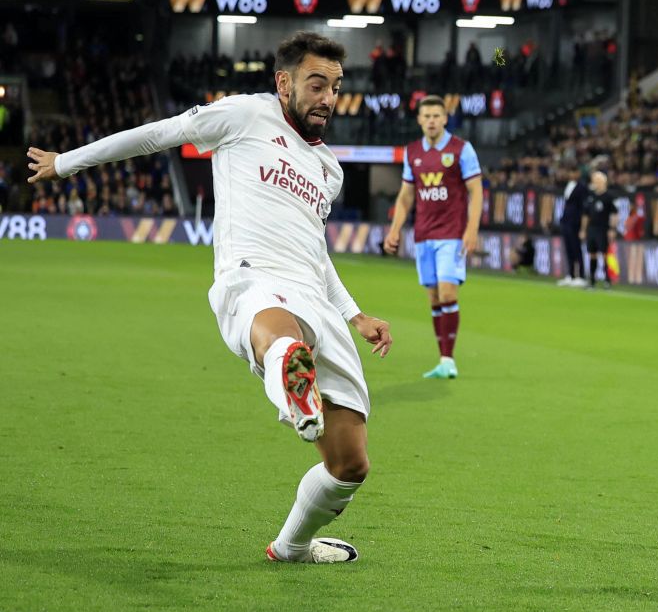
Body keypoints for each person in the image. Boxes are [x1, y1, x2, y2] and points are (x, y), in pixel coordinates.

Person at [26, 31, 393, 564]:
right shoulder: (245, 115)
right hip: (252, 278)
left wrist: (354, 313)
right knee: (280, 336)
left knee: (350, 464)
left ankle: (290, 546)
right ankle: (291, 383)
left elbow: (316, 250)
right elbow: (160, 134)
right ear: (284, 82)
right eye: (317, 85)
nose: (328, 99)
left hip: (313, 294)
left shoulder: (328, 170)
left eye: (336, 87)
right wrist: (67, 163)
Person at [383, 95, 482, 379]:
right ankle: (443, 360)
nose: (431, 121)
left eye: (436, 116)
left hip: (452, 233)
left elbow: (476, 191)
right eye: (426, 116)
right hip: (424, 234)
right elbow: (405, 197)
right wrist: (394, 229)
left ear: (445, 118)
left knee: (448, 292)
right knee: (435, 298)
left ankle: (448, 359)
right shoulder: (412, 151)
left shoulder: (462, 150)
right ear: (419, 120)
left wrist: (471, 229)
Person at [579, 171, 616, 289]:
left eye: (598, 180)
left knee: (604, 254)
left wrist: (612, 229)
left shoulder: (609, 197)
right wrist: (583, 230)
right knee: (592, 254)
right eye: (594, 180)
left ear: (603, 182)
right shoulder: (591, 196)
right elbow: (586, 215)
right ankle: (592, 280)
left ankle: (607, 280)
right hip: (591, 229)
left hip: (603, 229)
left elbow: (614, 214)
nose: (595, 183)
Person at [557, 167, 589, 287]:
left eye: (574, 171)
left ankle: (580, 276)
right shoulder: (568, 185)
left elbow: (583, 208)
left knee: (577, 249)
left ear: (578, 173)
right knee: (569, 249)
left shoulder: (582, 187)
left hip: (575, 222)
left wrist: (582, 227)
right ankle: (570, 275)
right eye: (570, 171)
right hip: (566, 221)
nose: (572, 174)